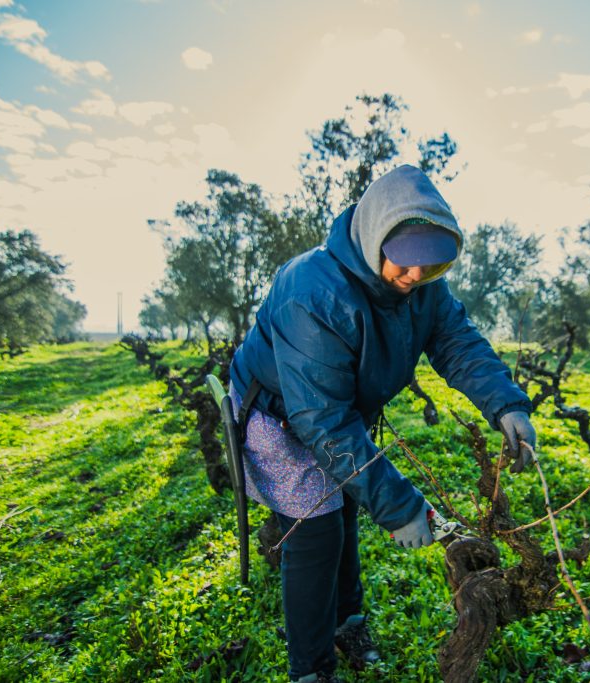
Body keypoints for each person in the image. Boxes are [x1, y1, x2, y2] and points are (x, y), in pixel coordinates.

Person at [228, 164, 537, 683]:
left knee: (346, 510)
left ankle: (349, 624)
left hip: (337, 412)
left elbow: (458, 344)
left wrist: (506, 404)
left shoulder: (424, 289)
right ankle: (311, 669)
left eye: (433, 266)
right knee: (315, 533)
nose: (417, 276)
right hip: (279, 415)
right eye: (408, 261)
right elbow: (320, 419)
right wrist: (399, 508)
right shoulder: (313, 290)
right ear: (375, 238)